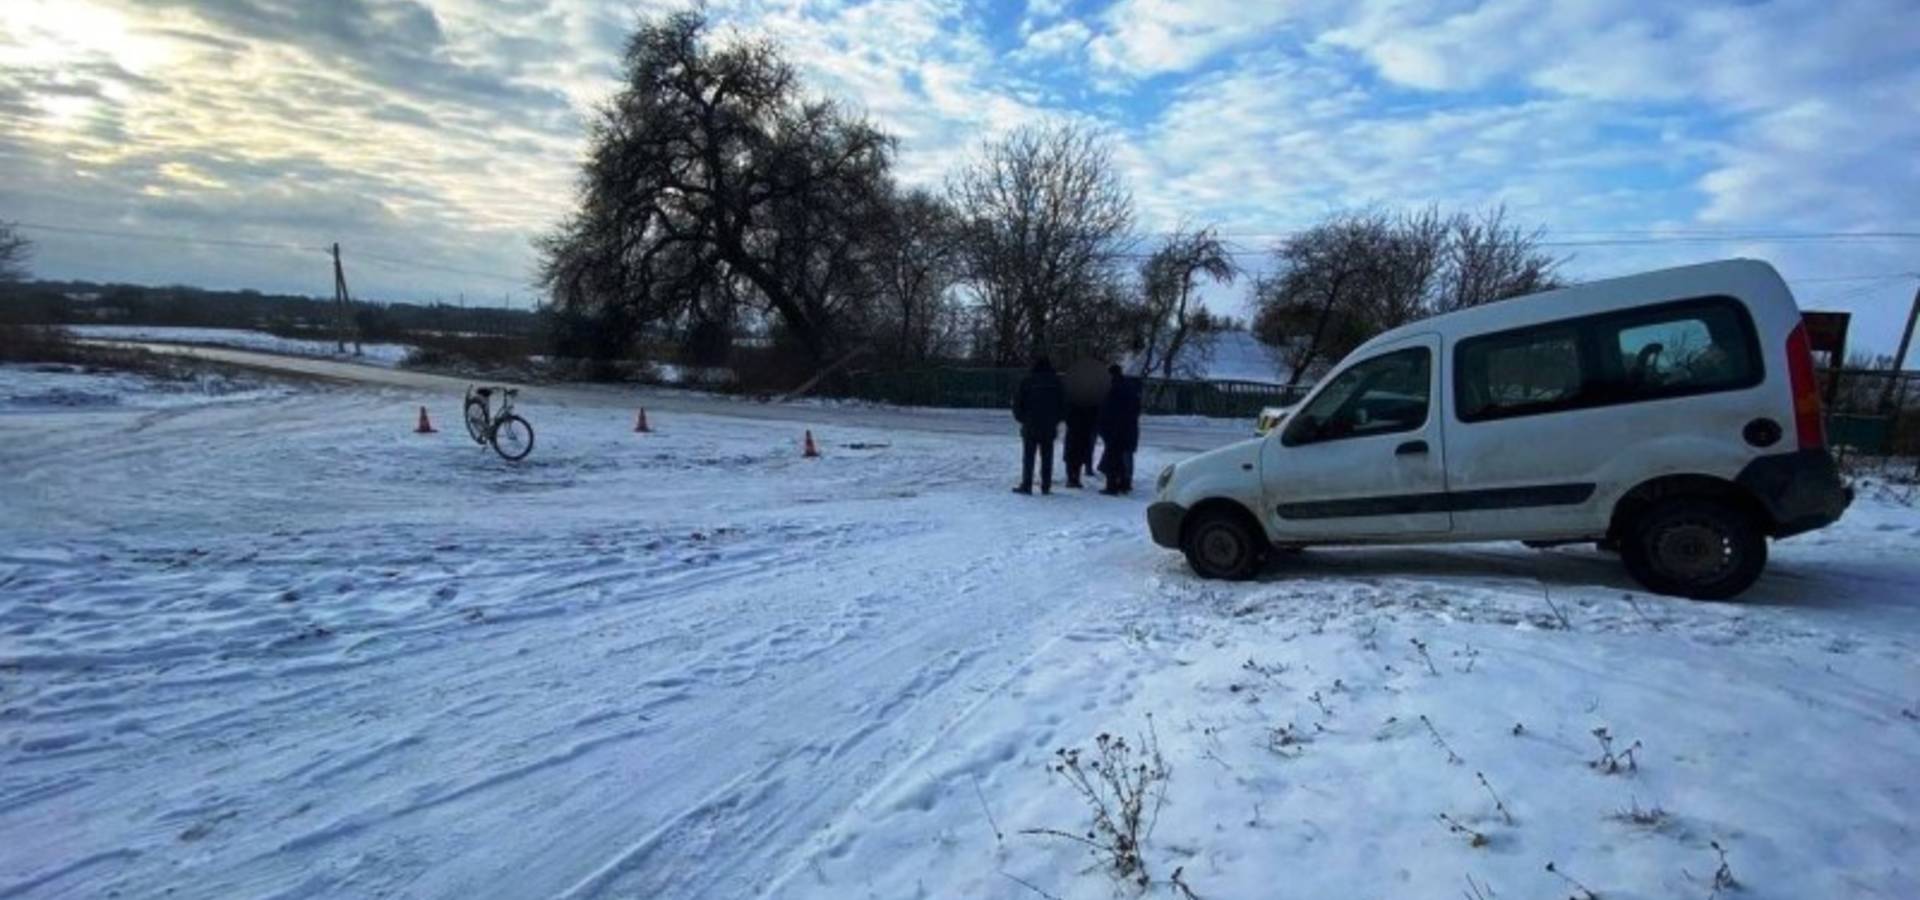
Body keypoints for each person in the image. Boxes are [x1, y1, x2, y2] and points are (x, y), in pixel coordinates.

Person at [1011, 355, 1066, 495]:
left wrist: (1022, 419)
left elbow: (1017, 403)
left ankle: (1027, 484)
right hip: (1048, 425)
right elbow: (1063, 404)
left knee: (1028, 456)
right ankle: (1046, 486)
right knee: (1047, 457)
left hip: (1030, 424)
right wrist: (1056, 420)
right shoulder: (1056, 382)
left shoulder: (1027, 381)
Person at [1060, 358, 1108, 489]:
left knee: (1072, 453)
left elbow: (1066, 408)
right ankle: (1077, 476)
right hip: (1086, 427)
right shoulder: (1093, 393)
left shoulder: (1072, 392)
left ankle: (1072, 477)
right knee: (1082, 451)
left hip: (1074, 427)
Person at [1097, 364, 1142, 495]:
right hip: (1129, 428)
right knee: (1126, 456)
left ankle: (1112, 486)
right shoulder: (1130, 387)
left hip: (1114, 430)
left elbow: (1105, 410)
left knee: (1112, 457)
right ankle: (1125, 482)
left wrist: (1102, 427)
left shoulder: (1111, 389)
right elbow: (1136, 408)